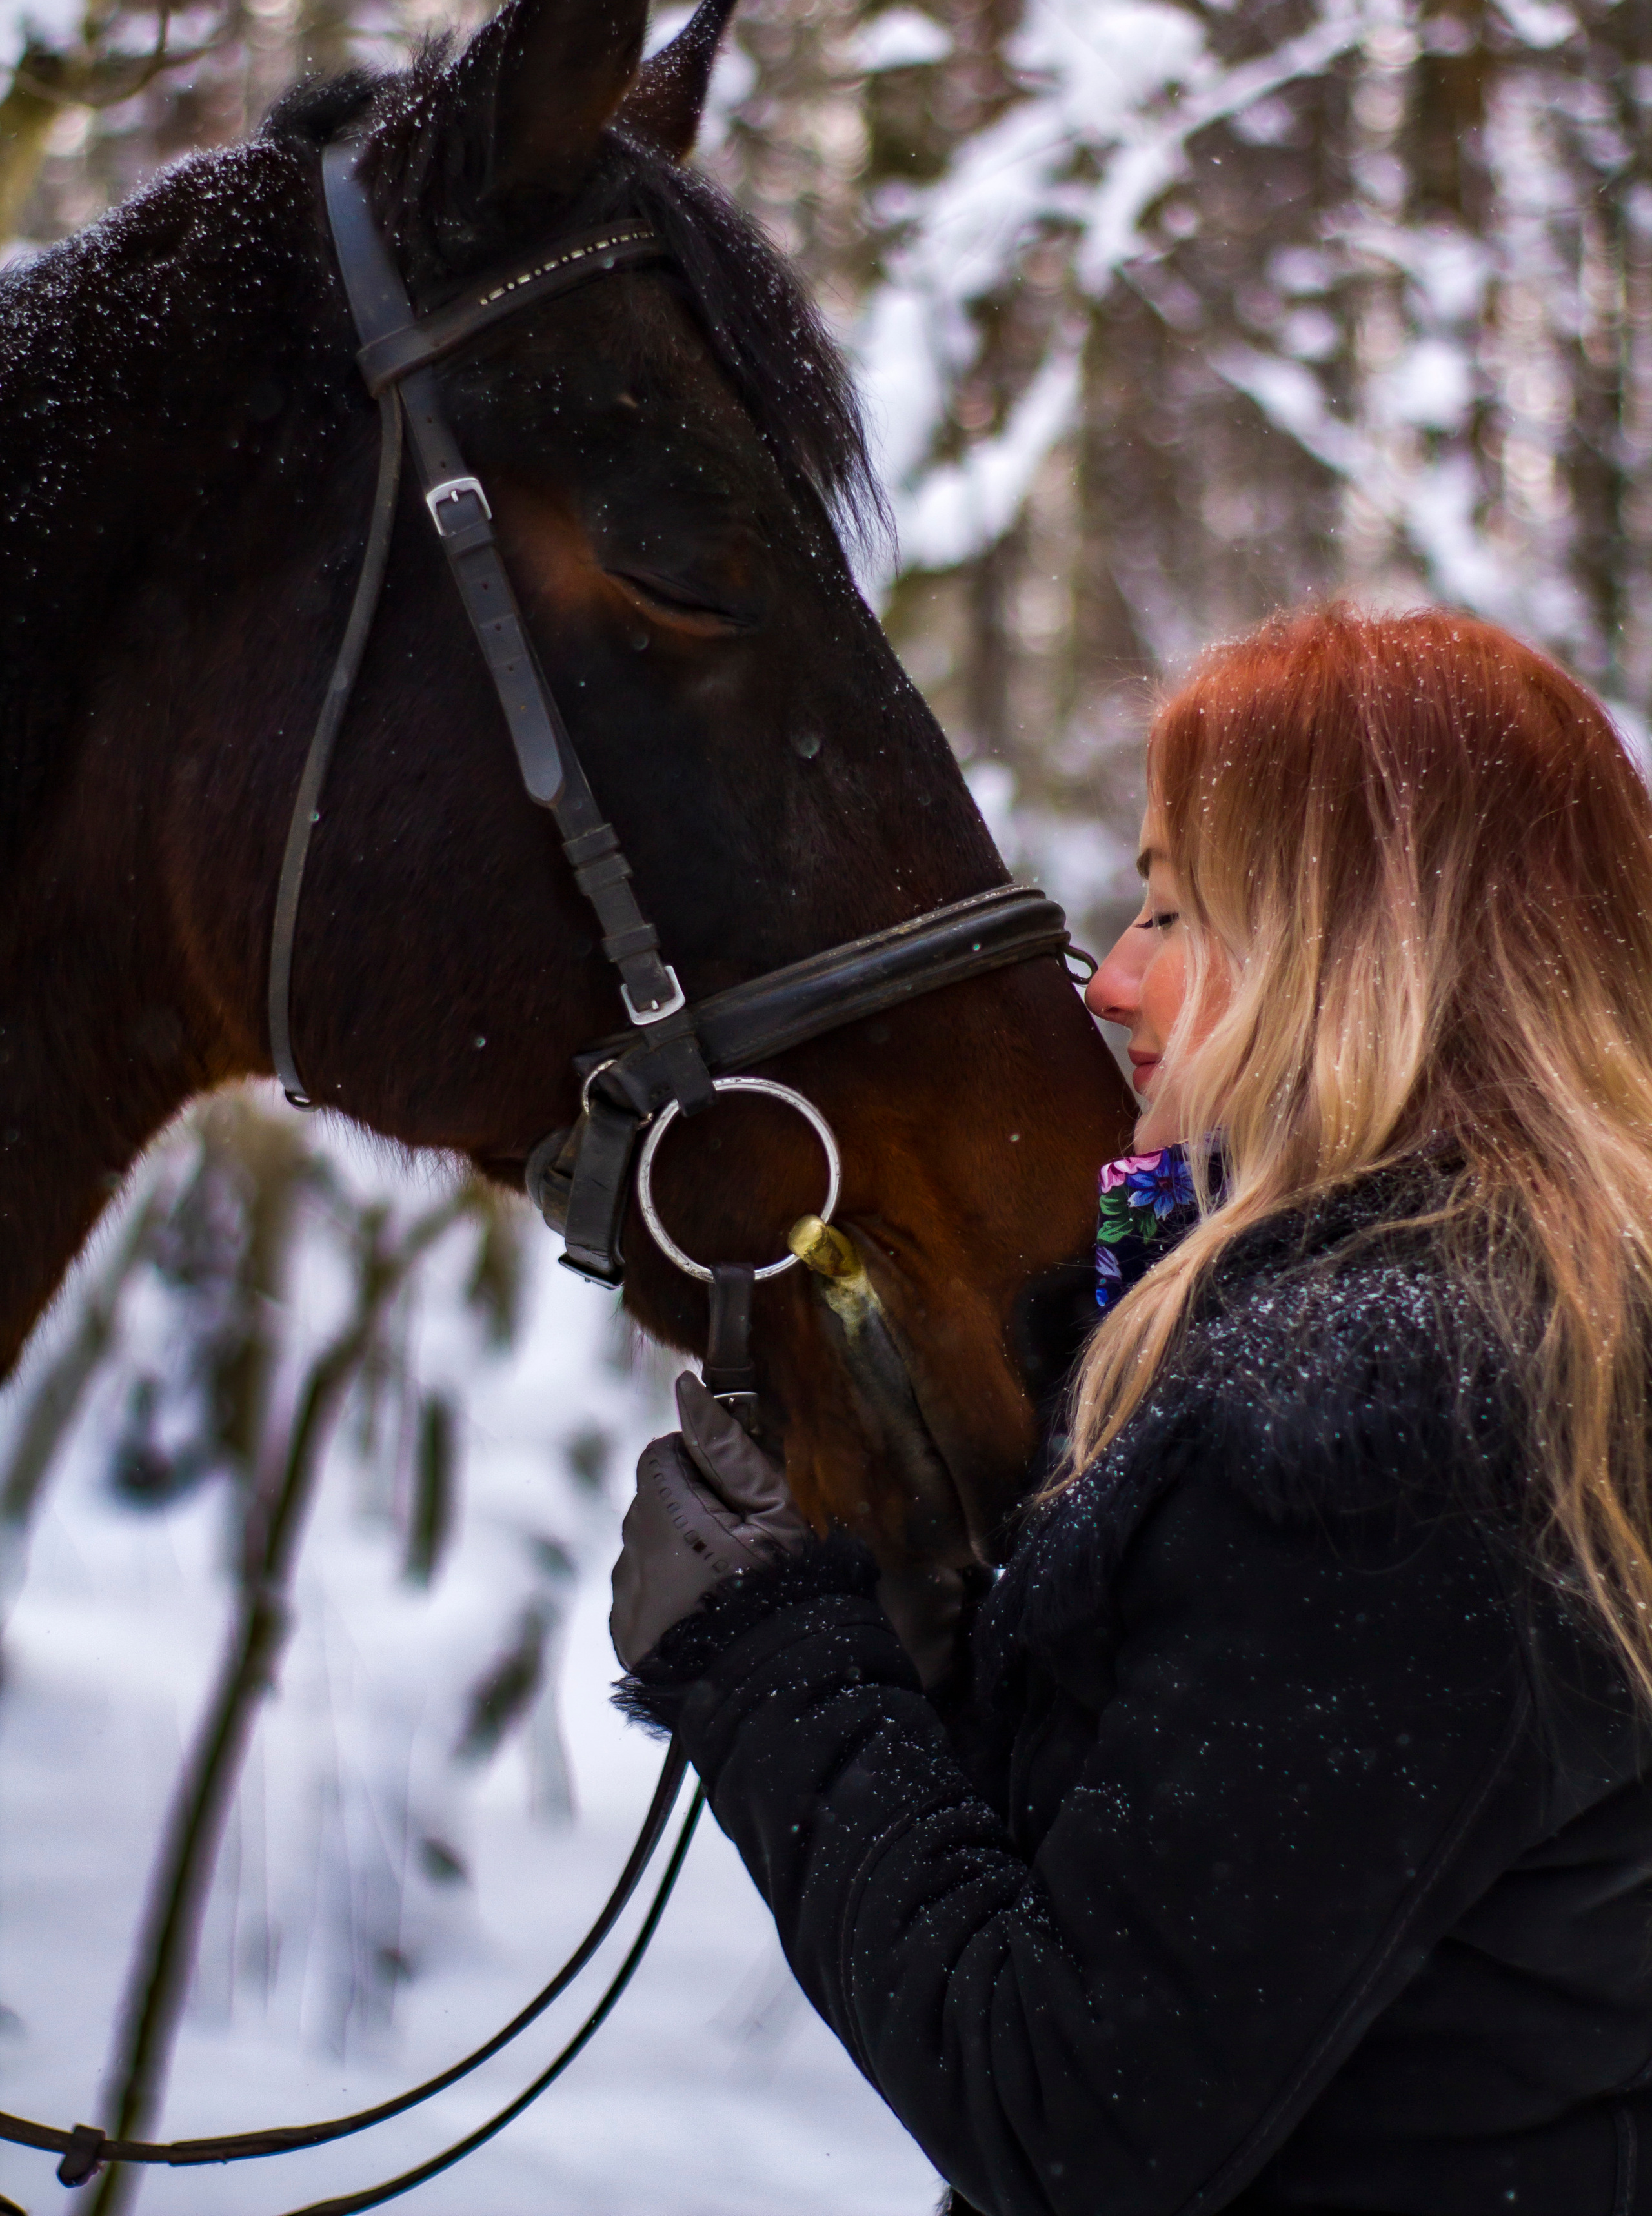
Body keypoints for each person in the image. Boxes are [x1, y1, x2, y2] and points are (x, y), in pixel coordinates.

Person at [609, 604, 1652, 2216]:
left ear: (1359, 957)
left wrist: (760, 1657)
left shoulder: (1390, 1437)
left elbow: (1075, 2113)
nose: (1113, 981)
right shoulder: (1530, 1345)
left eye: (1174, 910)